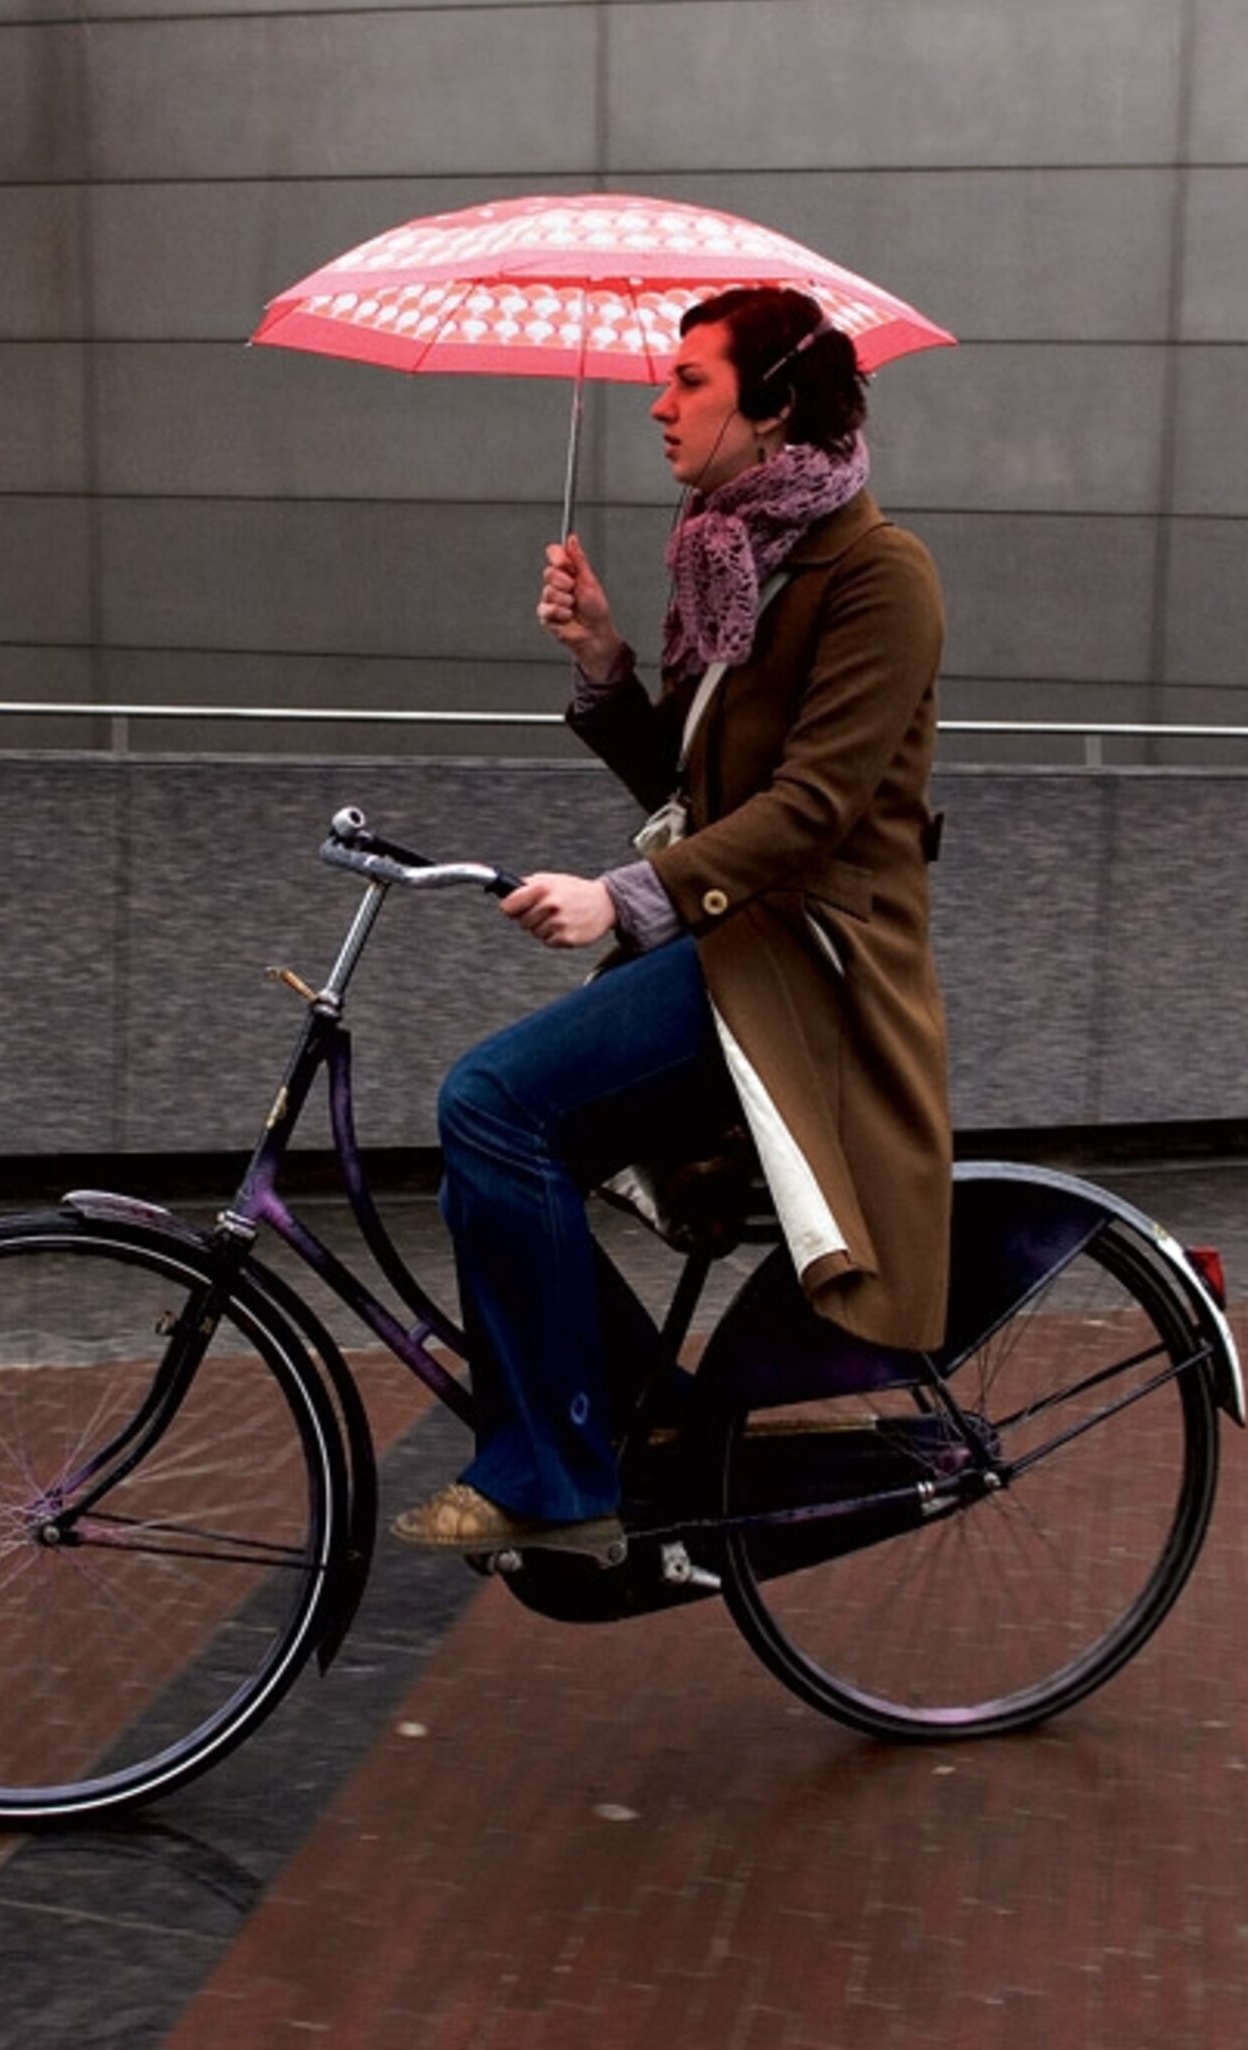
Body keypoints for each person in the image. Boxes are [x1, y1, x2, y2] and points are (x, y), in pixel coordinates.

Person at [389, 283, 956, 1557]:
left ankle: (558, 1473)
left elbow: (810, 808)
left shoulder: (878, 574)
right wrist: (604, 663)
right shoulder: (728, 555)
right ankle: (641, 1415)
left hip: (813, 969)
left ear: (775, 404)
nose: (661, 401)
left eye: (691, 380)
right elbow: (697, 796)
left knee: (492, 1101)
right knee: (495, 1148)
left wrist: (621, 897)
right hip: (734, 941)